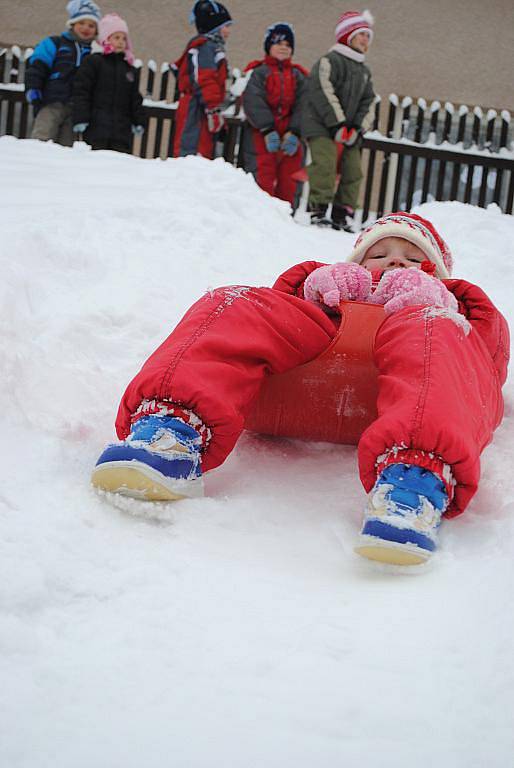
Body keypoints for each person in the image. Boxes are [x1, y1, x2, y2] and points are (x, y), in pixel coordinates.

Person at [91, 213, 509, 567]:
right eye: (378, 255)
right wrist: (319, 291)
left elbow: (483, 364)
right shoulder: (325, 284)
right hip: (309, 375)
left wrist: (435, 302)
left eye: (414, 259)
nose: (394, 264)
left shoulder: (451, 303)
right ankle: (171, 429)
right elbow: (271, 312)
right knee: (237, 300)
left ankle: (416, 483)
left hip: (411, 390)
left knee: (441, 331)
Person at [303, 9, 376, 232]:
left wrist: (356, 128)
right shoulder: (329, 61)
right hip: (322, 125)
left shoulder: (364, 71)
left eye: (368, 36)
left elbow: (369, 101)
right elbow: (323, 90)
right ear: (348, 35)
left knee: (353, 170)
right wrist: (338, 123)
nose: (366, 39)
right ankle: (318, 209)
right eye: (362, 34)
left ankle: (341, 213)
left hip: (350, 130)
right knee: (324, 163)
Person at [241, 22, 308, 209]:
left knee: (290, 179)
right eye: (279, 43)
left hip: (290, 136)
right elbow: (253, 101)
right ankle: (259, 214)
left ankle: (285, 218)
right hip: (262, 135)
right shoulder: (259, 73)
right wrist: (267, 128)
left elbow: (305, 105)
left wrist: (295, 131)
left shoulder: (299, 75)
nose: (283, 48)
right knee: (262, 175)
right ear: (268, 46)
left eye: (288, 45)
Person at [25, 0, 101, 147]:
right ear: (72, 24)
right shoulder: (55, 43)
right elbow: (37, 67)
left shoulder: (95, 55)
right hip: (51, 101)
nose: (86, 28)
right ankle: (34, 162)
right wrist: (33, 88)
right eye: (81, 23)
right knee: (42, 137)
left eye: (91, 25)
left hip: (75, 109)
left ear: (96, 31)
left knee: (65, 146)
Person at [72, 13, 147, 153]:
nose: (121, 42)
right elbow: (82, 91)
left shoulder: (128, 69)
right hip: (96, 128)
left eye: (124, 38)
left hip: (122, 132)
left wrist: (139, 121)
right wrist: (81, 118)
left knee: (117, 168)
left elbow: (134, 98)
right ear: (106, 39)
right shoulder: (94, 62)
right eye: (116, 37)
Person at [171, 0, 232, 159]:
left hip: (203, 107)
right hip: (195, 109)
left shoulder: (213, 48)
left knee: (204, 150)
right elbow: (204, 78)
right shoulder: (204, 47)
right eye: (226, 26)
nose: (228, 31)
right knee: (192, 151)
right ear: (214, 27)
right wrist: (213, 109)